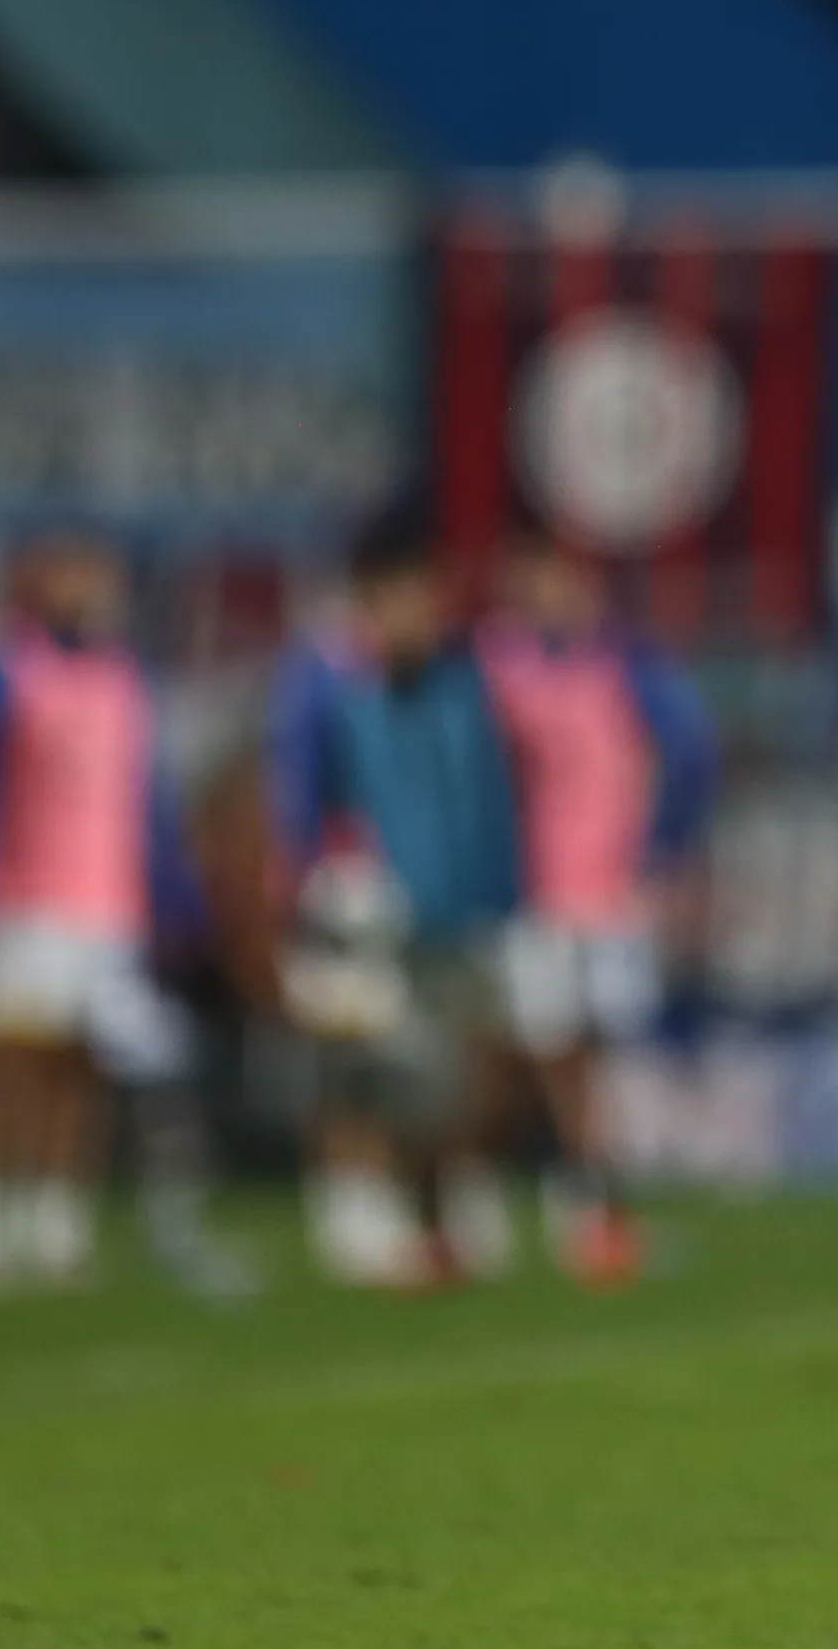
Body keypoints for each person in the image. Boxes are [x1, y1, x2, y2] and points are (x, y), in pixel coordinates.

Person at [0, 528, 206, 1293]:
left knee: (84, 1067)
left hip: (106, 904)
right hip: (20, 900)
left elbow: (147, 797)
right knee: (12, 1063)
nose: (90, 588)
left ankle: (58, 1218)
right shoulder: (1, 672)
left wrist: (172, 885)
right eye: (74, 572)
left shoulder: (124, 678)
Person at [267, 504, 524, 1288]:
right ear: (371, 601)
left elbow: (489, 791)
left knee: (466, 1068)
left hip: (461, 905)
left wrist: (503, 885)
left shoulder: (464, 679)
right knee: (359, 1068)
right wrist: (307, 891)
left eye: (431, 595)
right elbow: (299, 795)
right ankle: (356, 1214)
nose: (424, 612)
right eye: (408, 596)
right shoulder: (326, 685)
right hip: (360, 913)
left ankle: (452, 1203)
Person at [480, 522, 716, 1285]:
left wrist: (662, 845)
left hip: (610, 889)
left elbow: (689, 751)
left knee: (601, 1050)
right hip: (528, 889)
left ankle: (593, 1201)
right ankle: (576, 1201)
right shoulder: (494, 667)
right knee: (550, 1049)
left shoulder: (626, 662)